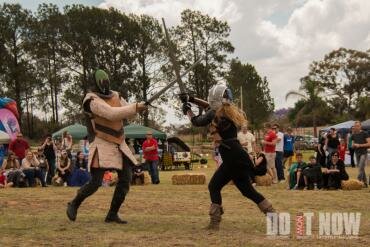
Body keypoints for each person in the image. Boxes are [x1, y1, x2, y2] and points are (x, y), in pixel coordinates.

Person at [182, 83, 275, 230]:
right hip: (237, 155)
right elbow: (209, 106)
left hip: (232, 156)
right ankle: (272, 215)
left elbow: (197, 121)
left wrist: (187, 110)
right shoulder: (228, 111)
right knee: (247, 191)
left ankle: (214, 223)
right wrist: (191, 99)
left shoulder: (216, 113)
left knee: (214, 186)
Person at [66, 69, 147, 224]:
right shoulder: (90, 100)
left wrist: (140, 107)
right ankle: (74, 203)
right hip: (101, 142)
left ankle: (112, 214)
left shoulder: (115, 95)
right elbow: (111, 113)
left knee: (126, 178)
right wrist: (135, 107)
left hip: (119, 142)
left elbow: (128, 112)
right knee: (95, 182)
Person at [351, 121, 370, 188]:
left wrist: (359, 145)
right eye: (355, 126)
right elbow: (352, 145)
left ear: (360, 126)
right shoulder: (353, 135)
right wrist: (353, 146)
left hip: (364, 153)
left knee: (360, 168)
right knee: (362, 168)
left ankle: (357, 182)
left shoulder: (365, 133)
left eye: (358, 126)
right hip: (357, 153)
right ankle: (365, 183)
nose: (356, 127)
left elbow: (369, 143)